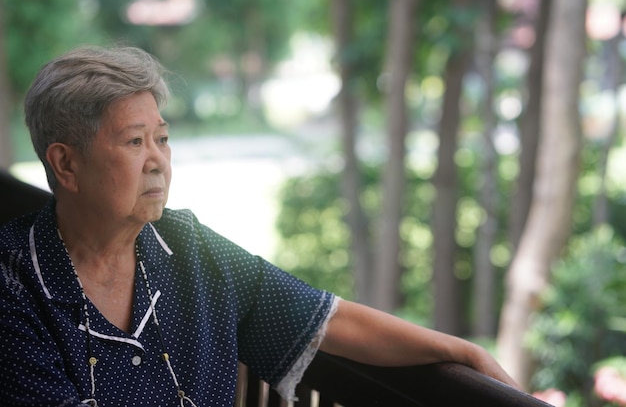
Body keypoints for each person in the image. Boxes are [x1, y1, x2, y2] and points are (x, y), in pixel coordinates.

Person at [0, 45, 517, 407]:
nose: (157, 160)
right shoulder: (15, 282)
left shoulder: (188, 247)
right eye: (135, 143)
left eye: (163, 138)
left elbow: (327, 320)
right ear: (66, 165)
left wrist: (462, 350)